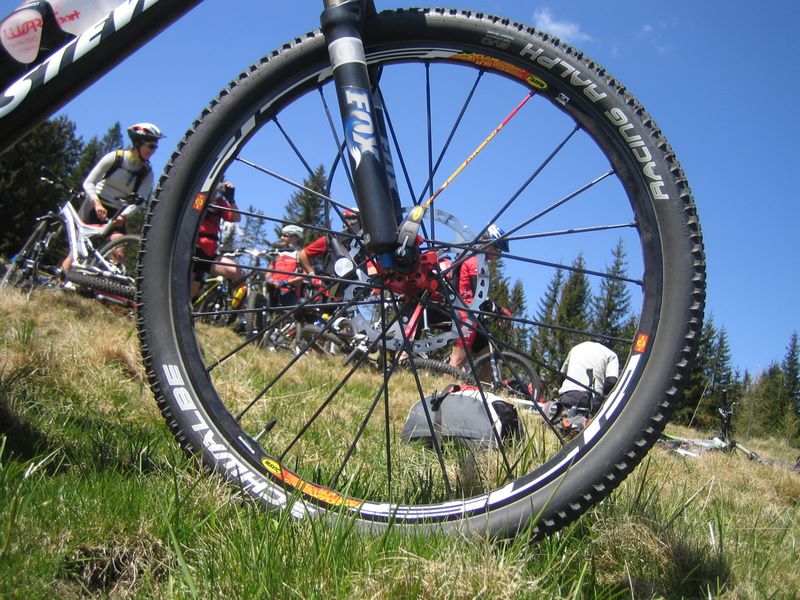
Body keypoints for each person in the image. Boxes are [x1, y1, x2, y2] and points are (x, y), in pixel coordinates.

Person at [62, 122, 163, 272]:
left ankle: (102, 281)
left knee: (118, 250)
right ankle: (59, 281)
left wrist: (124, 215)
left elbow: (140, 201)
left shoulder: (146, 172)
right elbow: (89, 183)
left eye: (156, 147)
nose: (153, 150)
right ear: (138, 143)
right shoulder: (115, 158)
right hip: (94, 205)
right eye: (151, 146)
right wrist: (97, 203)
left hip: (117, 213)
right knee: (77, 253)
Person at [448, 224, 511, 370]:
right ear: (487, 243)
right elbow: (479, 296)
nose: (498, 255)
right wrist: (500, 311)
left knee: (488, 362)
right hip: (466, 314)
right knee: (457, 361)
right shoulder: (474, 260)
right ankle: (447, 381)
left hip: (474, 316)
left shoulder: (479, 261)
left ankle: (481, 386)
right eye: (497, 249)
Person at [192, 180, 243, 299]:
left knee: (236, 271)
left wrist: (231, 200)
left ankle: (236, 305)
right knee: (190, 290)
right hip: (193, 250)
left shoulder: (219, 203)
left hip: (209, 254)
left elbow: (236, 218)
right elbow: (194, 211)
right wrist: (208, 197)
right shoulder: (199, 197)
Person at [557, 339, 619, 415]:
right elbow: (612, 381)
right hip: (591, 399)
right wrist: (603, 395)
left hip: (567, 396)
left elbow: (561, 376)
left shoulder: (575, 348)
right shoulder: (610, 354)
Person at [265, 224, 305, 306]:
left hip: (290, 292)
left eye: (285, 236)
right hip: (272, 291)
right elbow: (270, 269)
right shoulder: (278, 253)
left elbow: (304, 275)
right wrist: (268, 278)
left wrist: (284, 282)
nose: (281, 238)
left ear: (294, 238)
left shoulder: (300, 254)